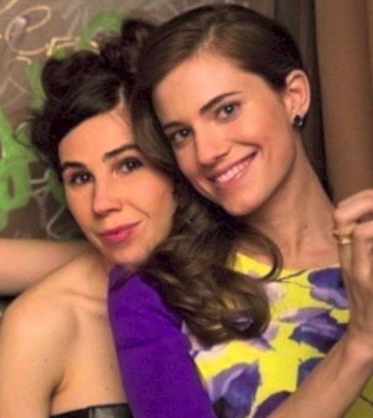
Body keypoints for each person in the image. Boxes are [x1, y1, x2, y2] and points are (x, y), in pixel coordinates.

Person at [108, 4, 373, 417]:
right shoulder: (156, 289)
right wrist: (359, 344)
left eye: (227, 110)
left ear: (294, 96)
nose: (206, 152)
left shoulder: (366, 256)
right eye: (181, 134)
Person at [0, 20, 172, 418]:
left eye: (128, 165)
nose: (101, 203)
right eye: (80, 178)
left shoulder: (248, 278)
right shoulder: (39, 323)